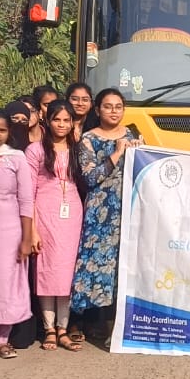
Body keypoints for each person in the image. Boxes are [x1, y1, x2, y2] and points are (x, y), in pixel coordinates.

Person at [72, 89, 140, 340]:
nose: (114, 111)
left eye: (118, 106)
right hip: (100, 214)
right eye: (108, 106)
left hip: (128, 211)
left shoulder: (133, 136)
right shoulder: (88, 139)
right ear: (98, 109)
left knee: (122, 267)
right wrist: (117, 153)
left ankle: (117, 325)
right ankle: (90, 323)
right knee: (97, 266)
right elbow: (91, 177)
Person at [27, 101, 87, 351]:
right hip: (44, 212)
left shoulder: (79, 149)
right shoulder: (35, 150)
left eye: (66, 120)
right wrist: (31, 229)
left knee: (67, 273)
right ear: (47, 120)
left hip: (72, 213)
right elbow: (28, 192)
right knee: (46, 270)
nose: (61, 125)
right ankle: (49, 328)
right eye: (56, 120)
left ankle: (64, 328)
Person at [0, 108, 35, 359]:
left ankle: (2, 337)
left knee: (5, 282)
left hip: (9, 229)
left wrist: (26, 238)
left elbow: (26, 200)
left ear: (9, 132)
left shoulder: (16, 158)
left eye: (2, 130)